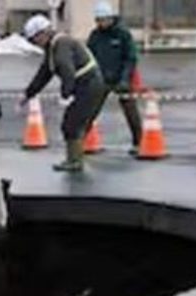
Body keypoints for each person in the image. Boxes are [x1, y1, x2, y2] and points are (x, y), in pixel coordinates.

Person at [20, 14, 108, 172]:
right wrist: (28, 94)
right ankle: (76, 157)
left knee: (71, 124)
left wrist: (65, 94)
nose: (35, 44)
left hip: (89, 86)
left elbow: (67, 69)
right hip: (88, 86)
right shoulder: (52, 47)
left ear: (43, 33)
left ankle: (74, 161)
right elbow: (44, 74)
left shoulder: (61, 44)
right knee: (77, 123)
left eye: (34, 39)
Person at [87, 1, 142, 153]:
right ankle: (82, 139)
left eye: (104, 20)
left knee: (131, 111)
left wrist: (125, 79)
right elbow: (89, 57)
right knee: (90, 110)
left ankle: (139, 141)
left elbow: (131, 58)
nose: (101, 23)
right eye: (98, 20)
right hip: (101, 79)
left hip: (121, 78)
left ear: (111, 18)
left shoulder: (123, 34)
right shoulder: (95, 36)